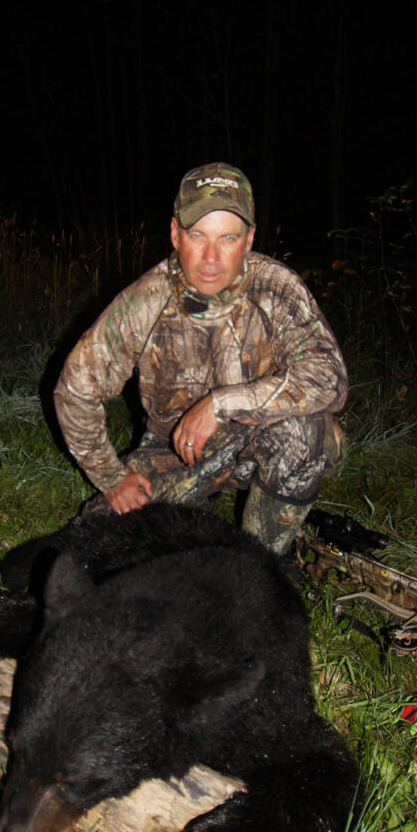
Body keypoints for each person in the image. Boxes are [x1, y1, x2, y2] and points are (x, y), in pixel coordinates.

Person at [54, 162, 347, 555]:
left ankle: (261, 561)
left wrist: (221, 405)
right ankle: (192, 522)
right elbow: (74, 390)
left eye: (228, 237)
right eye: (198, 235)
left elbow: (329, 377)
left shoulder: (275, 288)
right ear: (176, 234)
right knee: (94, 536)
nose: (211, 256)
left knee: (305, 430)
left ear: (249, 239)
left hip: (259, 439)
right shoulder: (146, 300)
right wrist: (112, 478)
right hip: (176, 451)